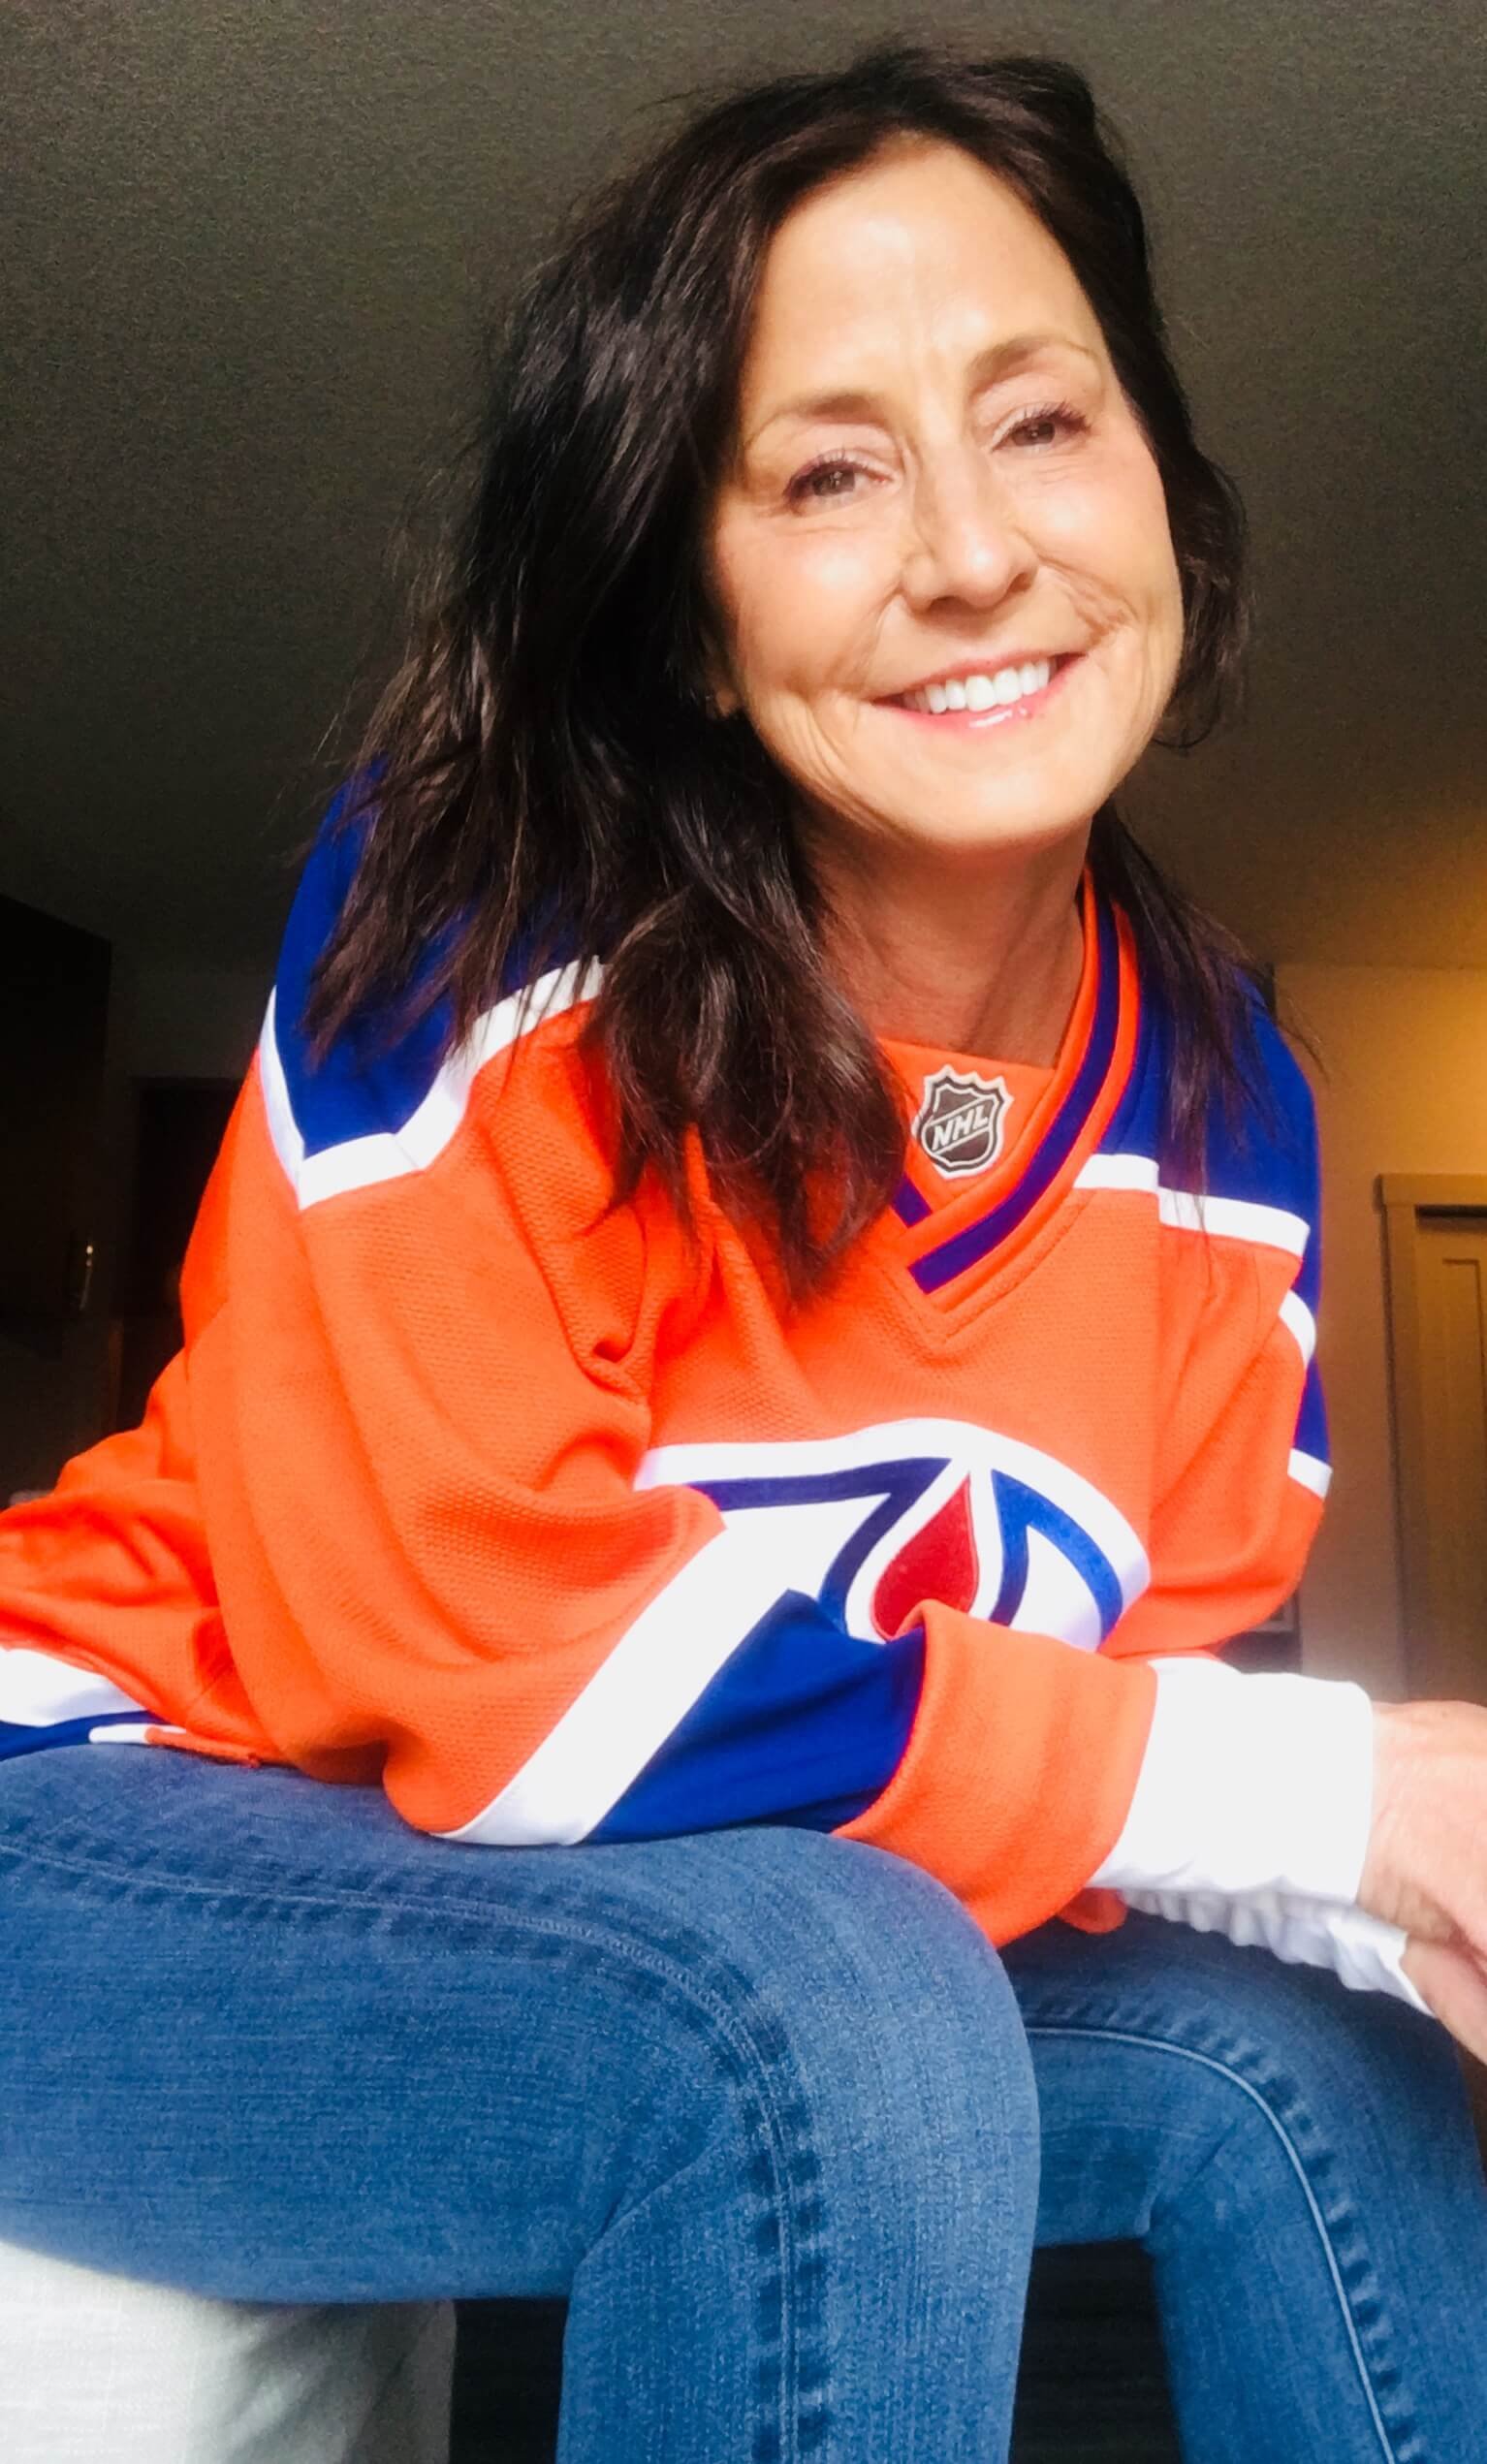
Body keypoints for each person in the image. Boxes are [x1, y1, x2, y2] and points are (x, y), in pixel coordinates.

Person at [2, 40, 1485, 2464]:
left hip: (647, 1932)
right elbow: (496, 1652)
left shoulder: (1229, 1102)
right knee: (831, 1988)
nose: (969, 550)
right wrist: (1339, 1791)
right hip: (103, 1832)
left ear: (1166, 501)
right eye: (823, 472)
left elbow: (1094, 1758)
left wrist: (1407, 1883)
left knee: (1311, 2055)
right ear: (689, 616)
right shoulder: (470, 904)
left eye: (1040, 421)